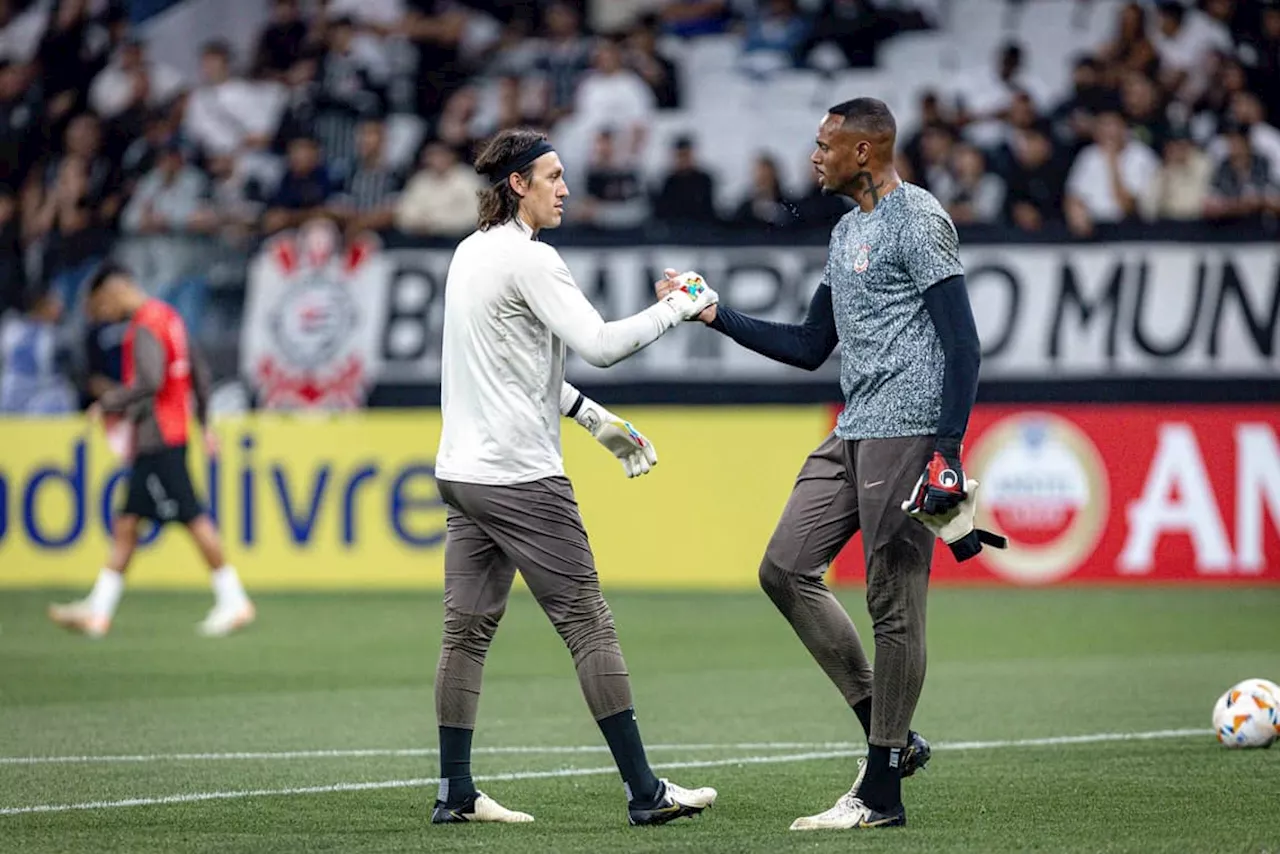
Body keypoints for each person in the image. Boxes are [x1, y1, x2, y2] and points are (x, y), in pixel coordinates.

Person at [660, 98, 994, 831]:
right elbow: (812, 345)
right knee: (783, 567)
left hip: (906, 429)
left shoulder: (921, 220)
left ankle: (880, 795)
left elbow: (963, 344)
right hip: (852, 427)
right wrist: (714, 314)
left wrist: (946, 451)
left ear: (866, 152)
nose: (814, 156)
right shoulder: (846, 234)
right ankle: (888, 729)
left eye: (826, 144)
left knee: (892, 601)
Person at [430, 128, 719, 826]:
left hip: (462, 472)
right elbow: (602, 345)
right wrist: (680, 305)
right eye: (553, 176)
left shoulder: (469, 254)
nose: (565, 188)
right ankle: (646, 794)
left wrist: (592, 420)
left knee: (464, 634)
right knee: (589, 624)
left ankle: (457, 793)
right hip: (522, 477)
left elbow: (517, 369)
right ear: (518, 185)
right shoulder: (533, 261)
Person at [47, 263, 254, 639]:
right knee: (127, 524)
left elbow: (150, 380)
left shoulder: (144, 324)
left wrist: (109, 402)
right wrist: (204, 424)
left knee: (193, 517)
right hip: (168, 434)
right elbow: (200, 374)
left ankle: (234, 599)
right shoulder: (169, 318)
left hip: (157, 438)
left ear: (113, 291)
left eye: (100, 306)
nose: (102, 316)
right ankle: (99, 609)